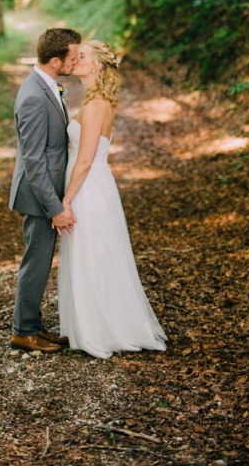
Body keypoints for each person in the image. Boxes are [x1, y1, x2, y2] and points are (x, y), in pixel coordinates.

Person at [58, 40, 168, 359]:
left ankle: (103, 329)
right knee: (93, 252)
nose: (75, 60)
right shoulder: (95, 100)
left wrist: (64, 202)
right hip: (90, 186)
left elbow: (85, 161)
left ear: (98, 66)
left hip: (87, 189)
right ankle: (96, 324)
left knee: (95, 253)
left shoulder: (96, 105)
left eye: (82, 57)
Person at [9, 27, 81, 353]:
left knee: (38, 259)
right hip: (39, 196)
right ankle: (23, 331)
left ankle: (34, 326)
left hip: (46, 191)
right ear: (55, 60)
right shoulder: (35, 97)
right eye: (72, 56)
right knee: (36, 261)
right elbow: (34, 162)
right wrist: (55, 207)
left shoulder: (47, 85)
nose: (76, 61)